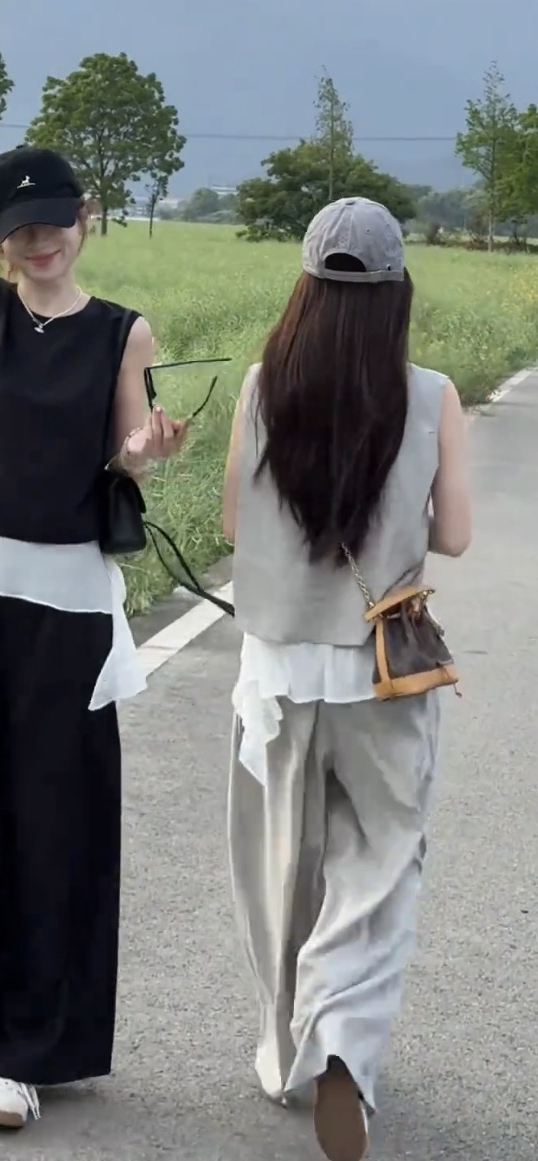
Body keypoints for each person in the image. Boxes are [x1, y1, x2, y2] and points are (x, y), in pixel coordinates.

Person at [0, 0, 189, 1130]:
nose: (39, 243)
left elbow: (124, 452)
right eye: (19, 230)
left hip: (63, 608)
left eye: (54, 223)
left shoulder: (123, 331)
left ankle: (23, 1049)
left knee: (47, 822)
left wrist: (147, 449)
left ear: (84, 219)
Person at [222, 198, 471, 1161]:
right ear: (397, 292)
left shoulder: (260, 388)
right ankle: (340, 1043)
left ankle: (283, 1046)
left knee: (280, 868)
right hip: (381, 674)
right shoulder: (432, 395)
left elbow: (237, 526)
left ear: (306, 290)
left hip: (277, 674)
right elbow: (454, 534)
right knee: (378, 867)